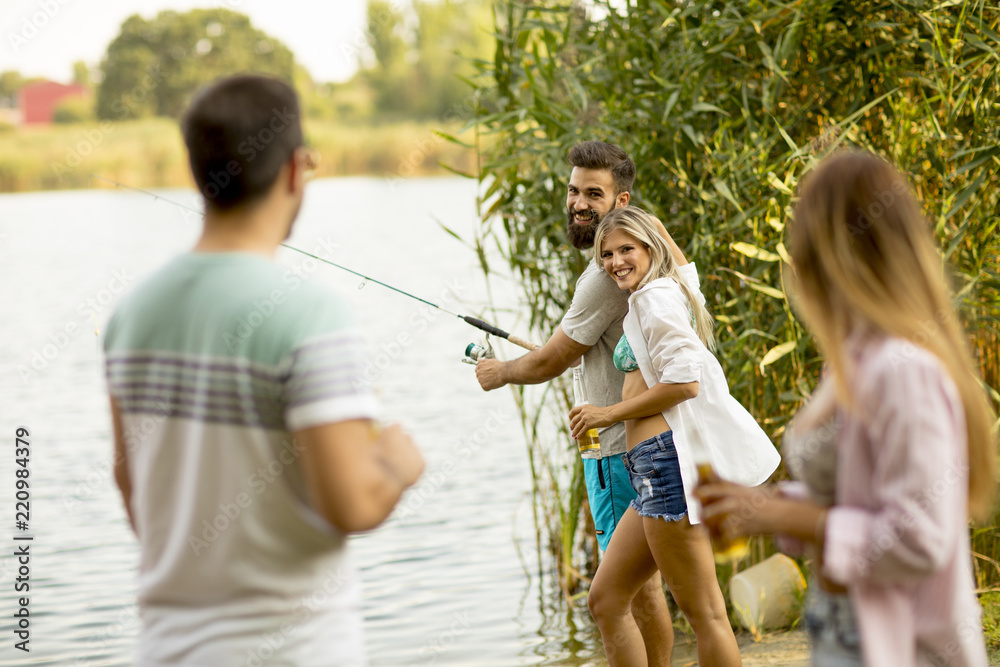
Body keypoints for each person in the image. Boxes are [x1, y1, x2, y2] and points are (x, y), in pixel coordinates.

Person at [104, 74, 424, 666]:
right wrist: (397, 466)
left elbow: (135, 493)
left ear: (198, 171)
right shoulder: (311, 314)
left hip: (166, 649)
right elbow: (351, 504)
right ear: (297, 169)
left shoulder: (131, 313)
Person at [697, 151, 997, 666]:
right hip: (839, 629)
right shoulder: (851, 358)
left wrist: (788, 513)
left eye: (802, 232)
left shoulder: (904, 368)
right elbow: (854, 494)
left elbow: (920, 538)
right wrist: (758, 504)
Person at [475, 141, 676, 664]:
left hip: (614, 451)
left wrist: (501, 372)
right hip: (646, 441)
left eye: (593, 193)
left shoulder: (600, 277)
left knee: (623, 594)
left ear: (621, 200)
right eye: (573, 191)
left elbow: (548, 362)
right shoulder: (639, 257)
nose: (578, 203)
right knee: (647, 586)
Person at [570, 205, 780, 666]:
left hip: (665, 464)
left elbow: (684, 383)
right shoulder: (672, 288)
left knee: (705, 613)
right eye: (606, 254)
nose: (615, 261)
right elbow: (686, 268)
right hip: (649, 467)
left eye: (627, 249)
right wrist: (630, 217)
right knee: (605, 598)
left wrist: (607, 413)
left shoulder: (655, 299)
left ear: (650, 248)